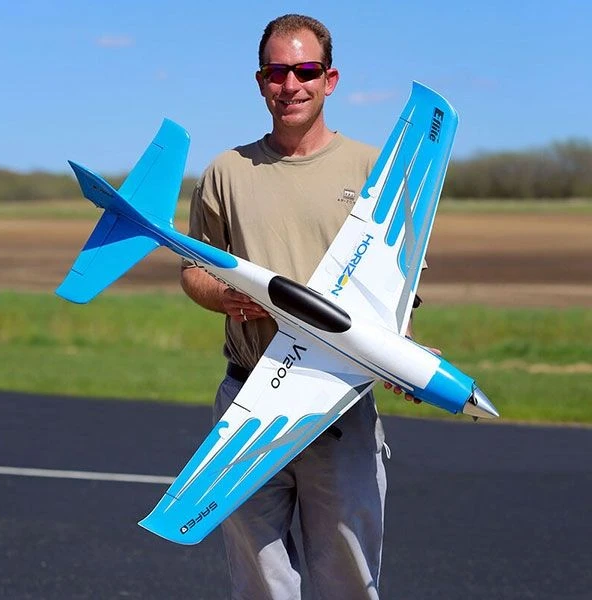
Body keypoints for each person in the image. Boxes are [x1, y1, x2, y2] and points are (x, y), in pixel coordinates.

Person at [181, 14, 421, 600]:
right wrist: (224, 295)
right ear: (260, 81)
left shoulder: (374, 169)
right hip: (249, 399)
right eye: (276, 72)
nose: (291, 85)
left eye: (306, 71)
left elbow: (401, 286)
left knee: (348, 580)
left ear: (329, 80)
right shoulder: (226, 171)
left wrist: (401, 352)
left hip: (339, 404)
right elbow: (192, 270)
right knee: (260, 584)